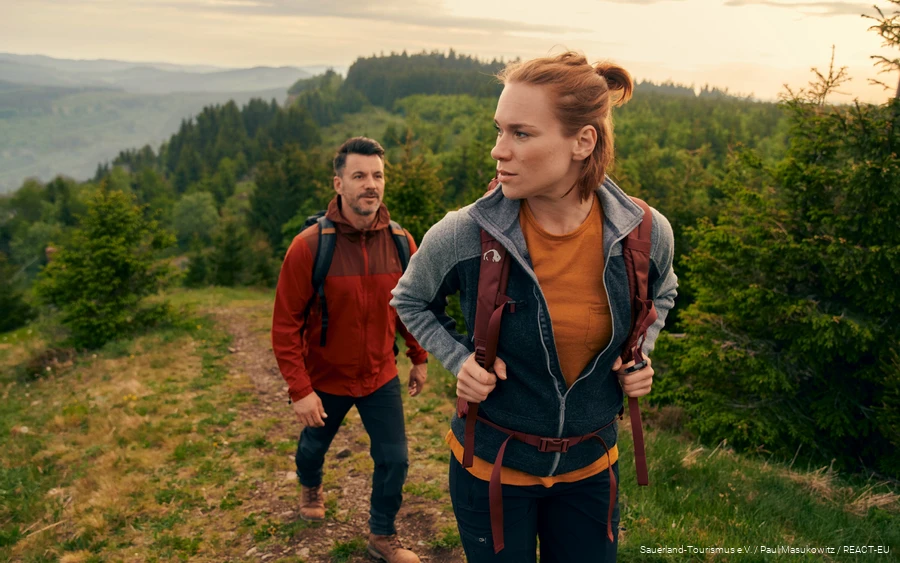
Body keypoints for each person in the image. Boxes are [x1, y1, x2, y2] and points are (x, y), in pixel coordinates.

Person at [390, 52, 677, 562]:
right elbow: (409, 298)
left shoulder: (644, 232)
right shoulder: (465, 232)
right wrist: (459, 360)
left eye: (521, 134)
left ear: (582, 142)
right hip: (493, 471)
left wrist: (638, 351)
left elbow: (663, 291)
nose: (498, 151)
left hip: (592, 470)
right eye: (499, 131)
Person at [272, 137, 428, 563]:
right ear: (338, 183)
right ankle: (310, 482)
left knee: (394, 459)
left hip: (379, 375)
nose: (370, 185)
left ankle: (381, 536)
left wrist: (417, 358)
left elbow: (408, 307)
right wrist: (300, 390)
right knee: (313, 448)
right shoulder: (309, 246)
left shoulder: (401, 242)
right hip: (325, 379)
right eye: (359, 176)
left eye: (377, 175)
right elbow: (285, 324)